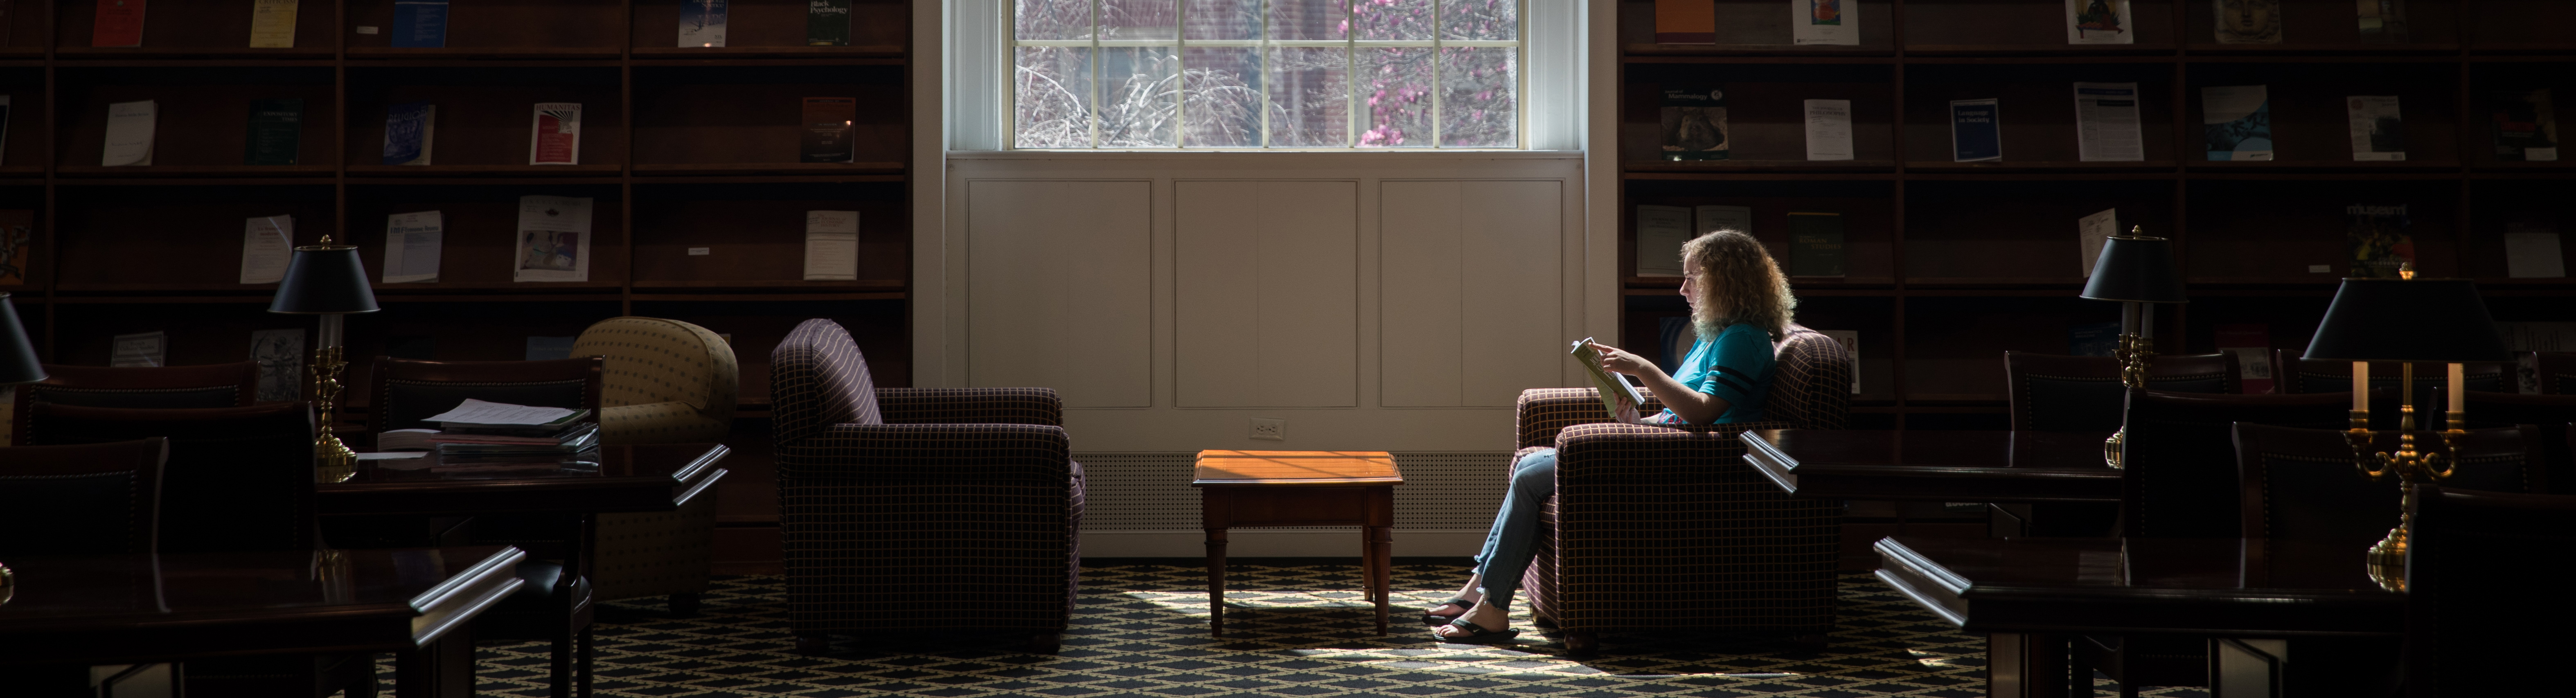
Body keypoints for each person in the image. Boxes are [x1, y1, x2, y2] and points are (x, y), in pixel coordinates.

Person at [1427, 229, 1796, 643]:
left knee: (1532, 475)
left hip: (1700, 459)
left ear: (1723, 280)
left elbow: (1704, 412)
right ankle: (1479, 590)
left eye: (1692, 278)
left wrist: (1643, 369)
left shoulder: (1743, 338)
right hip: (1678, 445)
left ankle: (1491, 605)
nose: (1683, 288)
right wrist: (1640, 425)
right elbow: (1684, 414)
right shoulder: (1720, 334)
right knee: (1531, 464)